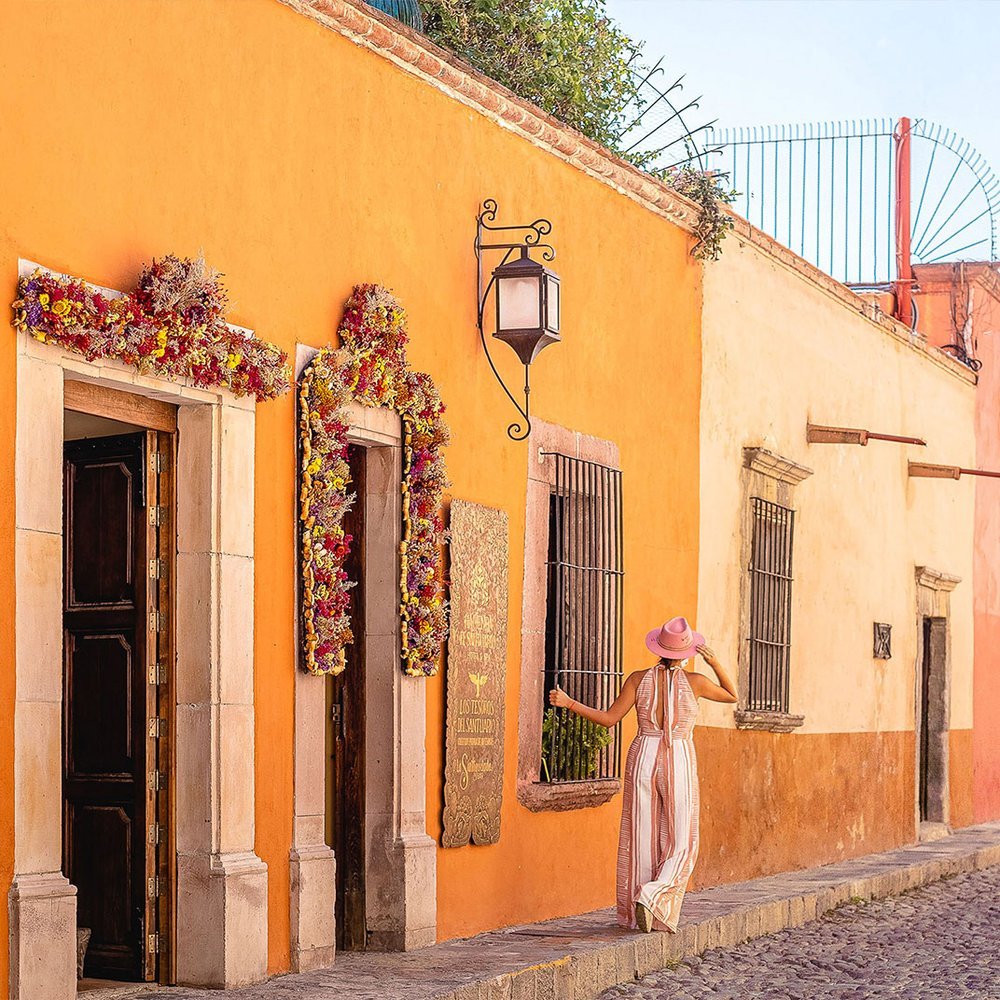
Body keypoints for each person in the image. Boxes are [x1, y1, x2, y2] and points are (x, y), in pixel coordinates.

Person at [549, 615, 737, 933]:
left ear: (659, 648)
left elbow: (609, 719)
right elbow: (731, 695)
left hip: (643, 755)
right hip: (678, 757)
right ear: (688, 652)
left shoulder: (638, 680)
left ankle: (638, 906)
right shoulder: (696, 682)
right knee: (683, 840)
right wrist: (715, 662)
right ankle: (653, 896)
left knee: (640, 837)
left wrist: (570, 703)